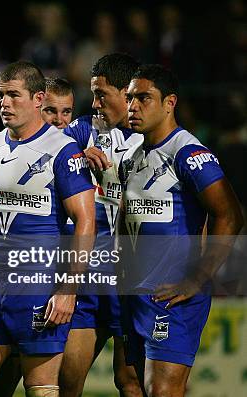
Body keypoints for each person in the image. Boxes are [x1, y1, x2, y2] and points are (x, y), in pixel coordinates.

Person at [0, 61, 95, 397]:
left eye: (14, 95)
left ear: (38, 98)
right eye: (0, 95)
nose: (4, 103)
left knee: (40, 389)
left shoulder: (63, 150)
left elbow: (86, 221)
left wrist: (68, 288)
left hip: (36, 288)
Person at [118, 64, 243, 396]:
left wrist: (197, 278)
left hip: (171, 295)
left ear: (169, 102)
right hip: (134, 293)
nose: (132, 106)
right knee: (129, 385)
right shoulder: (131, 153)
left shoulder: (188, 153)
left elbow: (229, 215)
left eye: (144, 98)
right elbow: (125, 214)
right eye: (130, 98)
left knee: (162, 391)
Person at [59, 53, 144, 396]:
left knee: (130, 382)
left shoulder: (152, 139)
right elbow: (44, 151)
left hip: (130, 278)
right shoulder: (83, 130)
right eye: (93, 94)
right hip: (88, 277)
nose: (94, 104)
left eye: (102, 95)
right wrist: (77, 156)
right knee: (67, 382)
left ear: (127, 93)